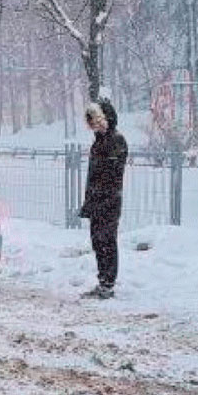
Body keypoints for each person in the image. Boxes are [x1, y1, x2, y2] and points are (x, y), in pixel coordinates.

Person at [79, 99, 128, 299]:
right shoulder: (98, 142)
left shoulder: (116, 141)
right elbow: (94, 175)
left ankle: (108, 282)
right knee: (98, 242)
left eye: (95, 120)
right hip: (97, 200)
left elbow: (113, 174)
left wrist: (101, 196)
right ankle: (103, 281)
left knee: (107, 241)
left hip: (108, 201)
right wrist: (90, 201)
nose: (92, 125)